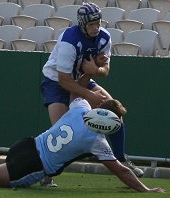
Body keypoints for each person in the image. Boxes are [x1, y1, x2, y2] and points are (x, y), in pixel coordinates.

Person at [0, 97, 165, 193]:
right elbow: (122, 170)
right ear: (107, 122)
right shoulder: (96, 141)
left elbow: (79, 92)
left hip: (26, 145)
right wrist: (145, 189)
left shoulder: (80, 108)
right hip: (33, 165)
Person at [40, 2, 143, 186]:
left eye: (98, 23)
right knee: (64, 132)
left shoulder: (104, 37)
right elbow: (64, 80)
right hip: (56, 82)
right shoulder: (69, 41)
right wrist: (90, 95)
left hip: (82, 77)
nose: (96, 27)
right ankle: (47, 172)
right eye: (91, 24)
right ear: (82, 25)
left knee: (114, 110)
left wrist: (95, 69)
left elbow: (106, 70)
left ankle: (121, 157)